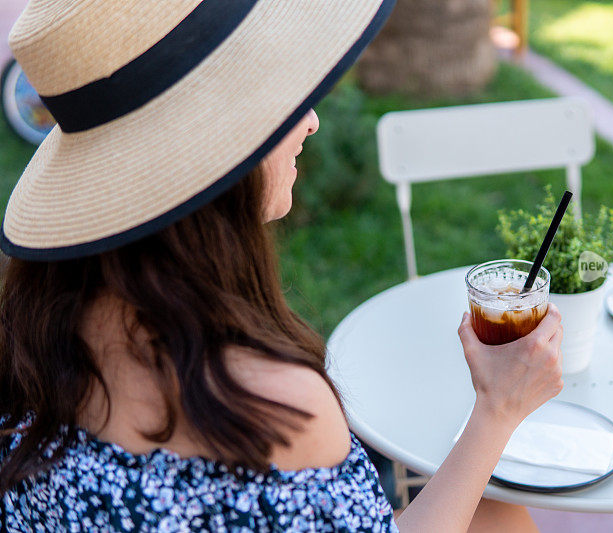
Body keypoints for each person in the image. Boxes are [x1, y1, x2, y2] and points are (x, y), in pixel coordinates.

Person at [0, 0, 564, 531]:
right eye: (283, 101)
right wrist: (498, 408)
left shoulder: (28, 338)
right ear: (224, 149)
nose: (311, 122)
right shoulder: (266, 408)